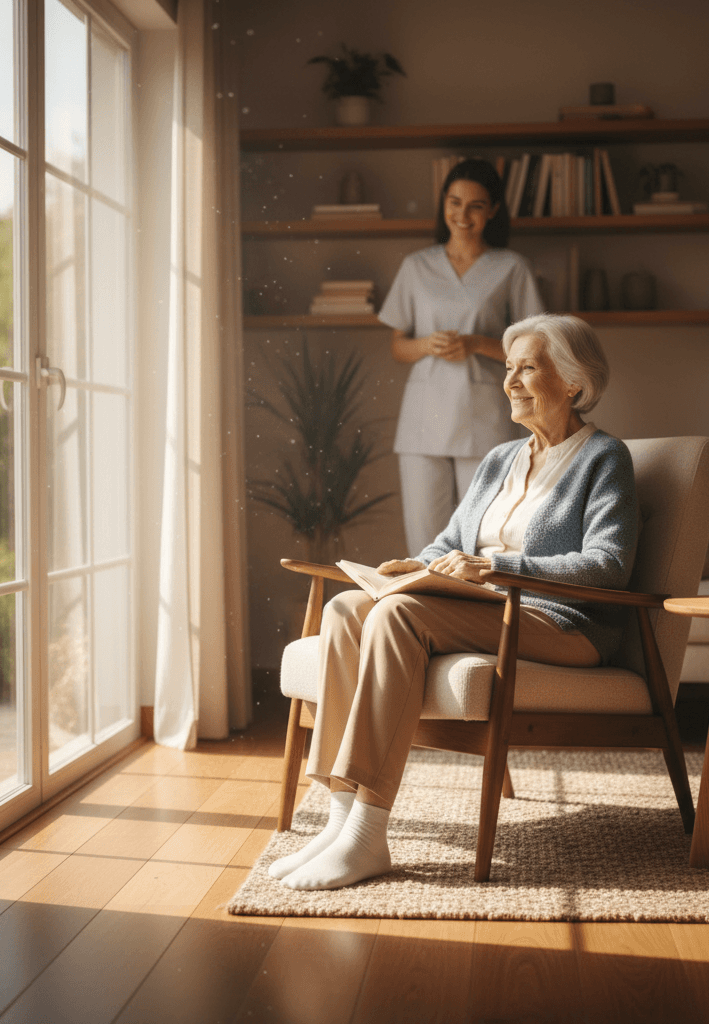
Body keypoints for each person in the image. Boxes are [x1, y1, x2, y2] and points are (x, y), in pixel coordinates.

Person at [268, 313, 638, 891]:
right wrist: (416, 565)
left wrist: (495, 567)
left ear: (572, 382)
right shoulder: (500, 460)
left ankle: (369, 834)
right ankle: (340, 822)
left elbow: (608, 565)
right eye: (508, 369)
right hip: (485, 610)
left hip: (560, 623)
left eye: (527, 369)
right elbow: (449, 543)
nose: (510, 381)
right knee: (346, 609)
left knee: (398, 614)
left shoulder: (604, 458)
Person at [378, 157, 544, 558]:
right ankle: (420, 616)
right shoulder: (416, 267)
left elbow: (535, 347)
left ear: (493, 211)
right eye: (454, 203)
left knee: (483, 537)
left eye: (475, 205)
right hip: (424, 420)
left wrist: (475, 344)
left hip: (484, 416)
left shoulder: (512, 268)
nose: (462, 215)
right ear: (443, 205)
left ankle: (476, 619)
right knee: (423, 539)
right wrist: (426, 345)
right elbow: (398, 346)